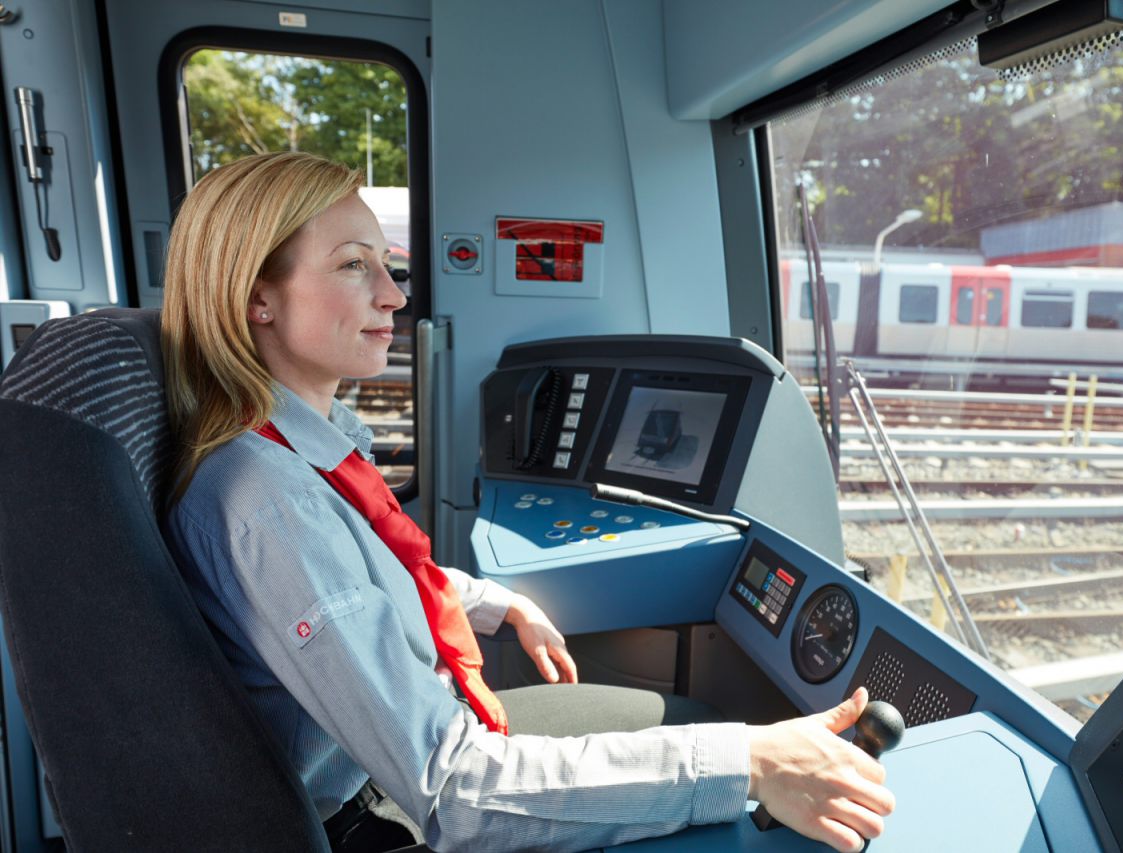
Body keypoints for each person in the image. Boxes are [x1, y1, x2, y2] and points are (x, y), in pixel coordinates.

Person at [161, 151, 894, 853]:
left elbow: (363, 578)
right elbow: (453, 790)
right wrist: (749, 761)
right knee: (725, 750)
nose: (394, 294)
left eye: (386, 264)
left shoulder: (305, 445)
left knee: (695, 720)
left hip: (412, 744)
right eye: (354, 265)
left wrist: (492, 602)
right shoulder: (271, 504)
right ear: (256, 296)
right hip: (379, 812)